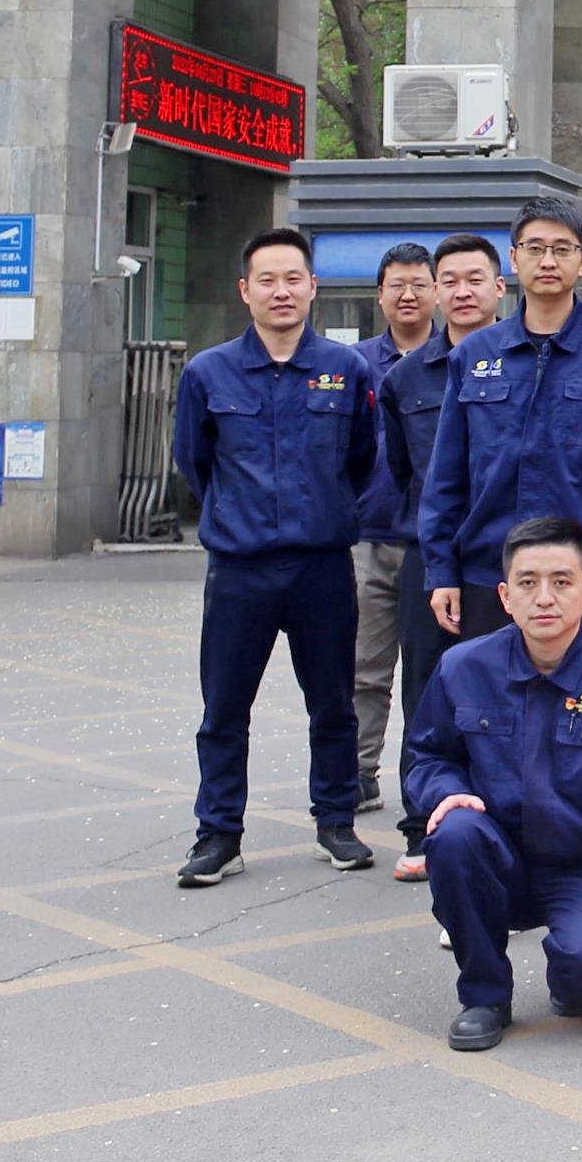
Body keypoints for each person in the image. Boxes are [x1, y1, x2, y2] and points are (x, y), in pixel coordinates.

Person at [408, 516, 582, 1053]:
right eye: (527, 583)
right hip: (494, 857)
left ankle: (574, 970)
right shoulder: (462, 667)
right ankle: (484, 996)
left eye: (561, 581)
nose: (544, 598)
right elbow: (427, 755)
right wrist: (443, 794)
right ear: (505, 596)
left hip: (578, 865)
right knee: (455, 834)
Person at [170, 226, 382, 887]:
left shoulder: (347, 370)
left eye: (294, 278)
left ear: (312, 286)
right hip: (240, 568)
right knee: (225, 708)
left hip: (321, 564)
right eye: (268, 279)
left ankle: (336, 821)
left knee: (334, 702)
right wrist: (240, 514)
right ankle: (219, 834)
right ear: (246, 290)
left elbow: (363, 458)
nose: (282, 290)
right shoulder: (209, 373)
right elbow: (195, 463)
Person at [418, 196, 582, 673]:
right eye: (535, 248)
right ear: (513, 259)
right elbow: (446, 474)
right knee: (490, 713)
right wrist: (442, 570)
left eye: (562, 249)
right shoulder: (475, 354)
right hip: (491, 575)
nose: (548, 261)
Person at [377, 232, 505, 881]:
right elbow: (403, 470)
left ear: (498, 288)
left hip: (505, 558)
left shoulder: (522, 361)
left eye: (473, 279)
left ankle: (506, 819)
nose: (460, 291)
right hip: (431, 557)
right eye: (447, 280)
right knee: (426, 691)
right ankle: (423, 824)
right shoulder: (404, 376)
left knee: (506, 690)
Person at [348, 243, 442, 817]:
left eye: (418, 284)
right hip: (367, 536)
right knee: (363, 665)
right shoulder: (354, 365)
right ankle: (358, 771)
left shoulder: (454, 358)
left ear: (435, 291)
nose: (408, 295)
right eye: (396, 285)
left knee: (431, 672)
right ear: (379, 294)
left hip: (431, 541)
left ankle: (428, 779)